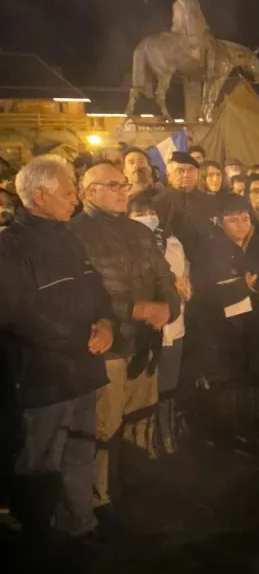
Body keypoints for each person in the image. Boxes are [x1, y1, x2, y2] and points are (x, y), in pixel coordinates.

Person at [1, 156, 115, 548]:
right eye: (68, 193)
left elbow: (96, 289)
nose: (75, 201)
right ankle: (38, 536)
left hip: (82, 370)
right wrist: (78, 337)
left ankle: (79, 525)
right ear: (39, 196)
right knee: (41, 462)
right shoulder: (9, 248)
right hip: (43, 379)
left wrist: (105, 323)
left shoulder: (69, 237)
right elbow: (16, 314)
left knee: (80, 451)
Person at [67, 162, 180, 518]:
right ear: (88, 193)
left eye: (123, 185)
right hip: (108, 351)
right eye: (112, 185)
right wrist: (135, 309)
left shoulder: (140, 232)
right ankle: (100, 500)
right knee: (104, 429)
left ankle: (135, 486)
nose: (122, 190)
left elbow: (166, 278)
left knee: (139, 420)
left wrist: (168, 308)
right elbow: (82, 296)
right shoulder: (74, 234)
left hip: (144, 346)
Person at [188, 193, 259, 447]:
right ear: (219, 221)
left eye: (245, 218)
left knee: (253, 384)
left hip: (253, 328)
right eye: (233, 220)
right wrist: (240, 287)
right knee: (228, 389)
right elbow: (202, 293)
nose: (241, 225)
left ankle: (254, 434)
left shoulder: (257, 243)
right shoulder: (208, 249)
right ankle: (229, 442)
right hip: (222, 334)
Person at [126, 193, 191, 455]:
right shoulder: (125, 247)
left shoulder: (173, 243)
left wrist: (184, 288)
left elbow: (186, 279)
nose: (147, 217)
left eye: (151, 212)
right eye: (140, 212)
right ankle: (142, 444)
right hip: (142, 331)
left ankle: (166, 434)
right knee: (143, 391)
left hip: (174, 328)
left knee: (168, 385)